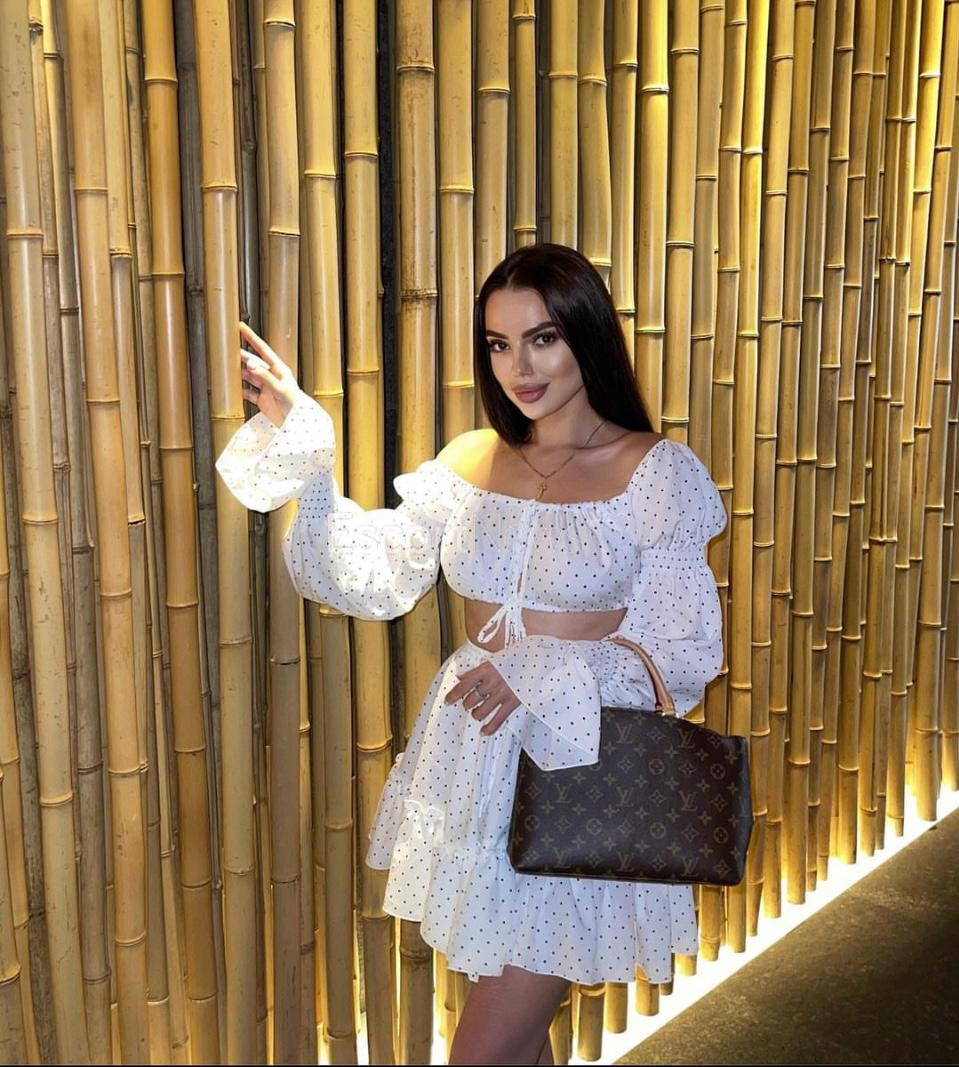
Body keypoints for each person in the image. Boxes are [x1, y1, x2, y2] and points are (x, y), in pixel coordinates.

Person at [215, 242, 727, 1065]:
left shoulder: (654, 472)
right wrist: (312, 454)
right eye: (498, 343)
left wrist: (543, 667)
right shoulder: (469, 457)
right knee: (513, 1040)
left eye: (542, 338)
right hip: (471, 759)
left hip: (579, 764)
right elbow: (379, 573)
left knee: (483, 1049)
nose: (518, 367)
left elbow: (683, 649)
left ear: (586, 334)